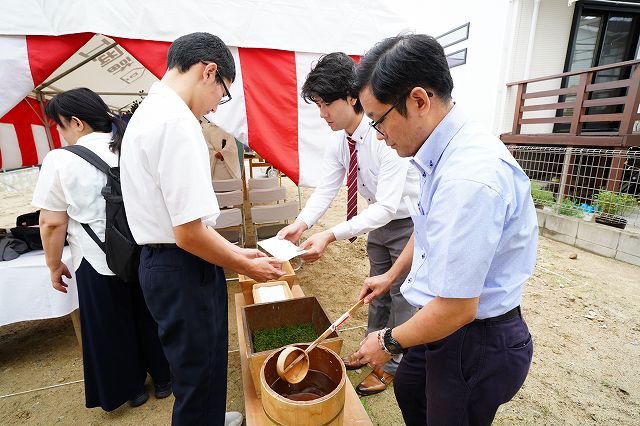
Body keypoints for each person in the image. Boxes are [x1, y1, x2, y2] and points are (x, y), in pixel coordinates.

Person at [353, 34, 537, 425]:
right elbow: (428, 226)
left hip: (474, 336)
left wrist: (387, 341)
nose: (379, 136)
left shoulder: (469, 178)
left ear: (419, 100)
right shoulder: (442, 152)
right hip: (442, 321)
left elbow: (457, 307)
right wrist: (391, 274)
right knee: (409, 389)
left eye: (379, 121)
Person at [120, 32, 283, 426]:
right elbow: (188, 232)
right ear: (209, 72)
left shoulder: (151, 111)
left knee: (203, 361)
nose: (216, 106)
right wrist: (245, 264)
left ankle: (209, 417)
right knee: (196, 372)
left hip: (168, 260)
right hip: (181, 263)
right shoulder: (176, 121)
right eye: (222, 94)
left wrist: (233, 254)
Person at [277, 52, 420, 396]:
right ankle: (371, 348)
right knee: (375, 290)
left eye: (326, 104)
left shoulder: (383, 135)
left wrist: (330, 234)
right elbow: (326, 188)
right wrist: (302, 223)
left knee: (401, 295)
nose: (322, 113)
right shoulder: (341, 140)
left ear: (352, 97)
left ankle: (392, 365)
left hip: (408, 225)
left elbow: (387, 206)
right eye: (318, 105)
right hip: (377, 223)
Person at [33, 88, 171, 412]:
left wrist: (53, 264)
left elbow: (51, 223)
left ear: (77, 123)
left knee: (110, 325)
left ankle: (132, 389)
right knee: (151, 316)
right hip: (143, 252)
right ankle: (165, 378)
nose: (61, 133)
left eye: (60, 125)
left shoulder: (60, 160)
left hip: (96, 260)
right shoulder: (129, 147)